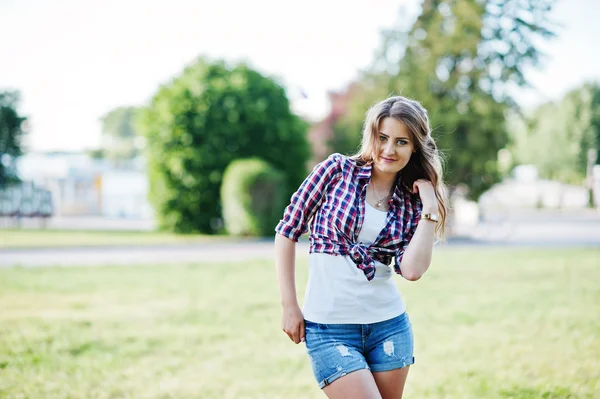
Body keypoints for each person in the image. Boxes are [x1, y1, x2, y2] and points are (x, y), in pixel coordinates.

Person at [274, 95, 448, 399]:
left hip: (388, 327)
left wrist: (429, 206)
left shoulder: (411, 200)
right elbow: (287, 231)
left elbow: (412, 270)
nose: (389, 149)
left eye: (401, 142)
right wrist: (289, 306)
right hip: (329, 328)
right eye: (382, 137)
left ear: (415, 146)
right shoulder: (336, 171)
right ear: (371, 135)